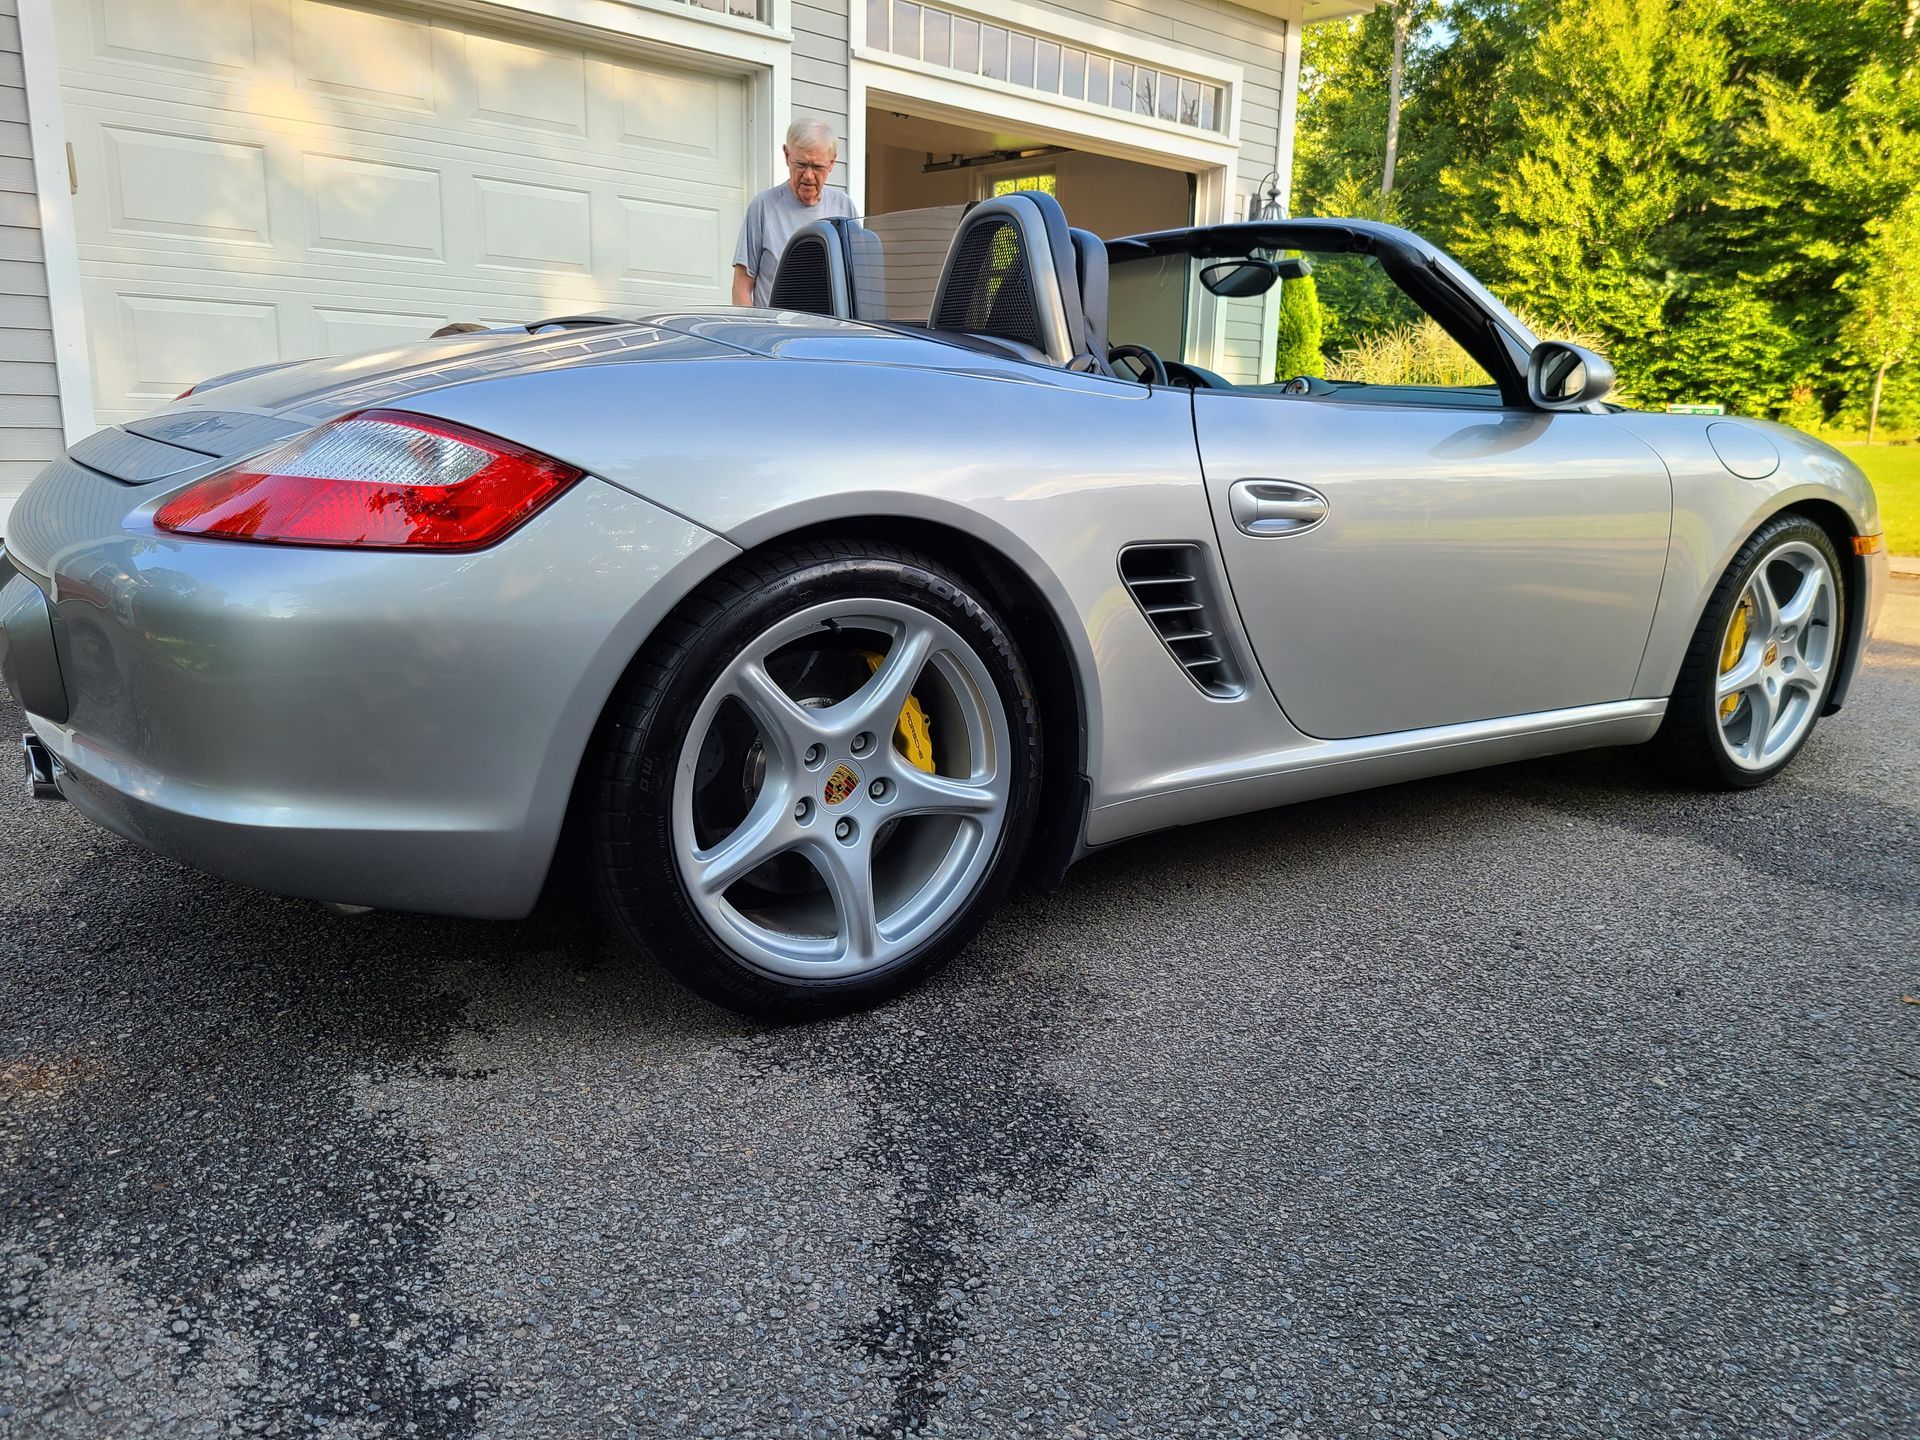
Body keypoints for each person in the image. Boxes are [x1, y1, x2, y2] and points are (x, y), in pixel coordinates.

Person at [732, 118, 859, 308]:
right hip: (776, 333)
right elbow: (742, 285)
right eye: (800, 164)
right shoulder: (764, 206)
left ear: (832, 163)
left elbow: (857, 282)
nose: (808, 175)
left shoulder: (844, 208)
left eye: (817, 167)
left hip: (828, 333)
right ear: (787, 155)